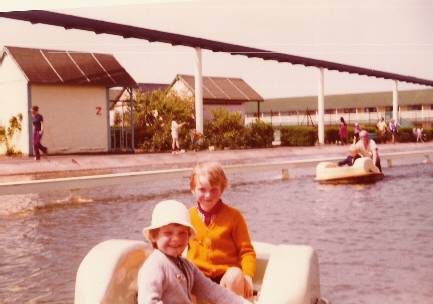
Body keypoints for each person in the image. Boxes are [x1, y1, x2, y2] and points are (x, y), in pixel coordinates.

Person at [137, 199, 247, 304]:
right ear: (153, 236)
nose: (176, 239)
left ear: (189, 236)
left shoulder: (186, 265)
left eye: (182, 233)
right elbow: (148, 301)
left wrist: (242, 302)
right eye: (168, 233)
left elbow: (211, 290)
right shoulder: (154, 266)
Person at [188, 162, 256, 300]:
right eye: (202, 189)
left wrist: (248, 276)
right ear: (193, 190)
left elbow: (247, 251)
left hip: (225, 279)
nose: (208, 195)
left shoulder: (234, 216)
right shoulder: (186, 217)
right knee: (184, 279)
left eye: (213, 190)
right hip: (199, 279)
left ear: (222, 189)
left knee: (235, 275)